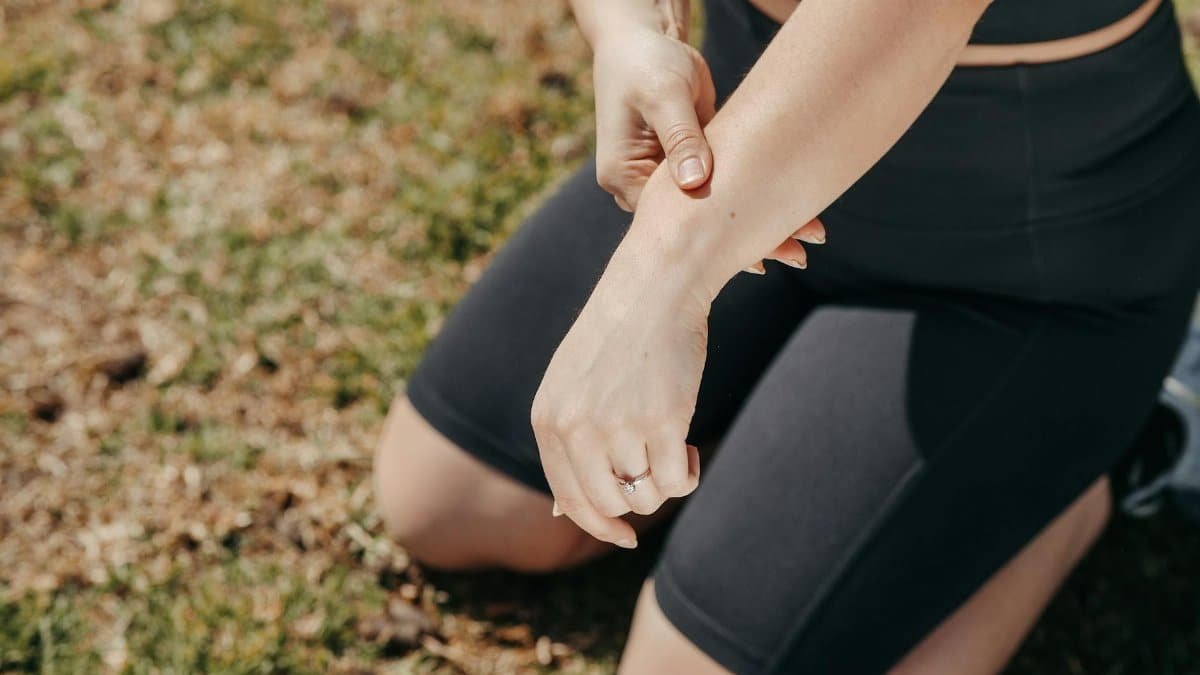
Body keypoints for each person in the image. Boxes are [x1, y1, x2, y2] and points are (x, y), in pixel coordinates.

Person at [374, 0, 1200, 671]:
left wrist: (657, 283)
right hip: (745, 128)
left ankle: (1102, 460)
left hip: (1022, 243)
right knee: (445, 502)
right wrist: (628, 29)